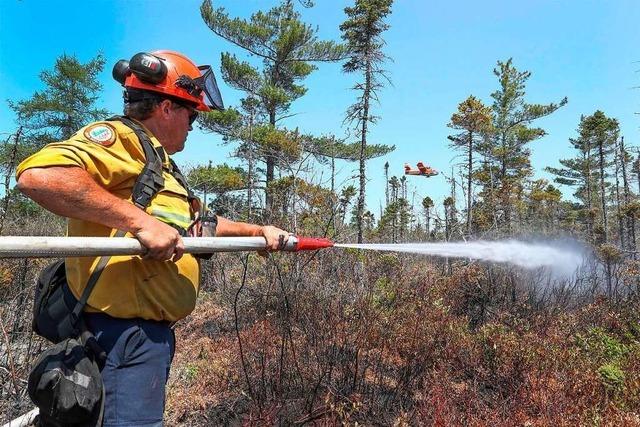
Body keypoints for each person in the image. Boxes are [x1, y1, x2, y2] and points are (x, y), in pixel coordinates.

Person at [16, 50, 289, 426]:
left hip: (145, 339)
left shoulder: (159, 165)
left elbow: (198, 224)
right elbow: (39, 176)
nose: (193, 125)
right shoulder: (123, 139)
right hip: (120, 336)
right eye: (191, 115)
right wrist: (140, 223)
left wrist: (260, 232)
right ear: (166, 108)